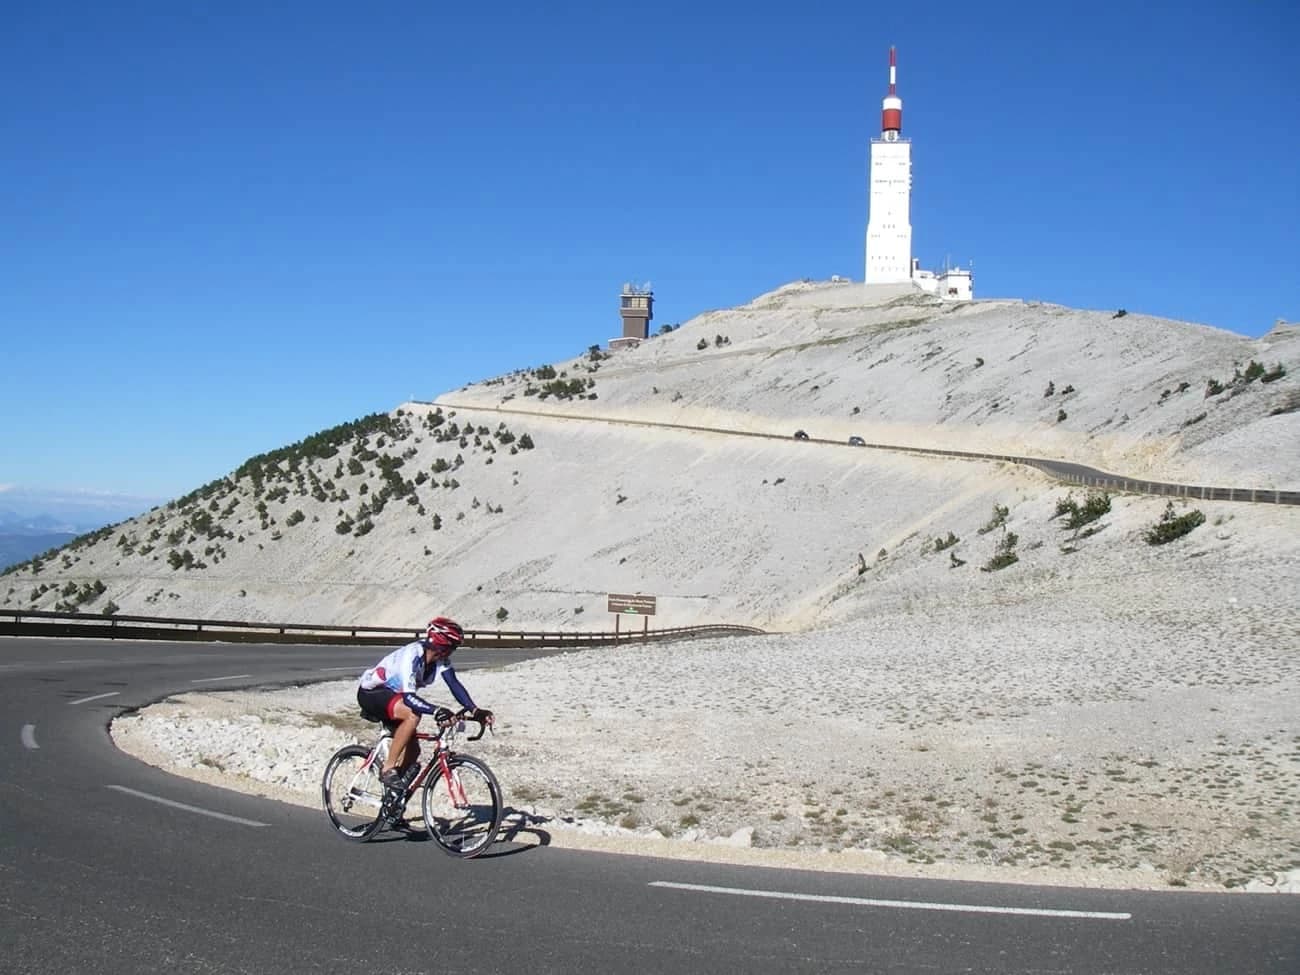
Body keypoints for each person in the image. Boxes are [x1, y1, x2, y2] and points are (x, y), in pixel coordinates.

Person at [356, 617, 493, 791]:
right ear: (441, 644)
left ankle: (392, 803)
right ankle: (388, 768)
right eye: (452, 646)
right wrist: (436, 711)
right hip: (372, 694)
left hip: (393, 697)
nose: (453, 651)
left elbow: (454, 684)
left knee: (414, 753)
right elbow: (409, 698)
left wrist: (475, 710)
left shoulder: (439, 659)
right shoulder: (412, 655)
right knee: (413, 714)